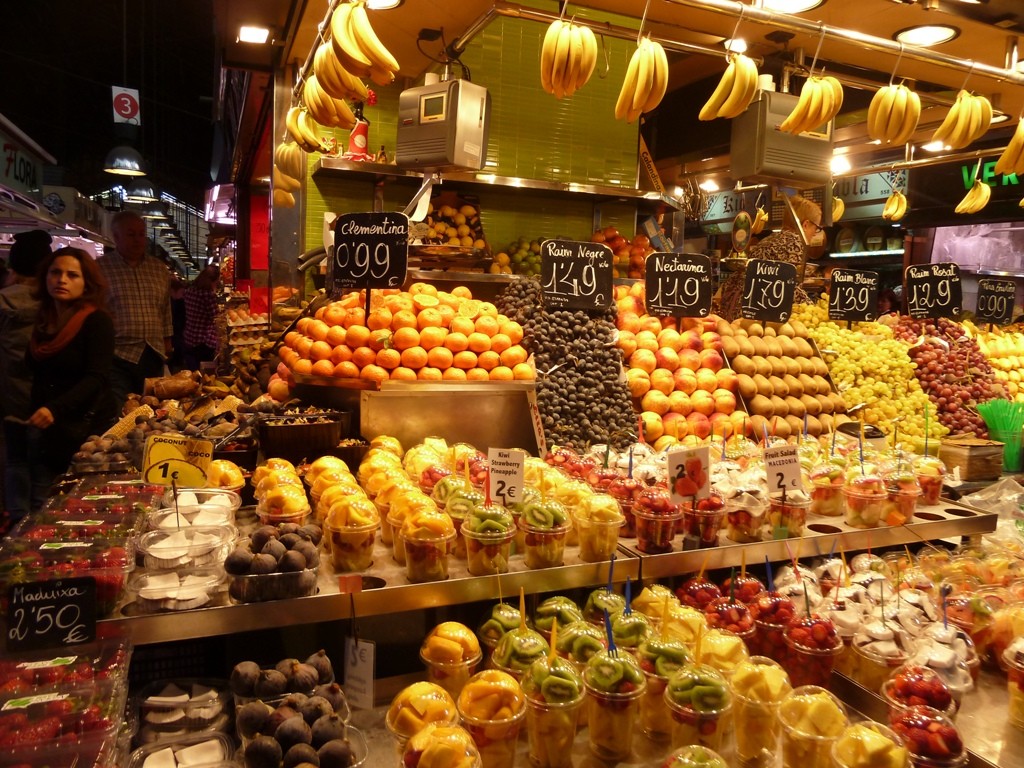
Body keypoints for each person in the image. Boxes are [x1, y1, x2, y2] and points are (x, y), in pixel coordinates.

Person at [26, 247, 118, 496]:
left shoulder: (97, 321)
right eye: (55, 272)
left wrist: (54, 408)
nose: (62, 279)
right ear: (45, 277)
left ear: (86, 283)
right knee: (42, 501)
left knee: (81, 500)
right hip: (47, 430)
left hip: (85, 428)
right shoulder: (44, 321)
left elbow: (97, 377)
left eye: (72, 275)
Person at [0, 230, 52, 524]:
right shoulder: (55, 304)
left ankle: (18, 522)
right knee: (44, 463)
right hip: (48, 398)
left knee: (16, 458)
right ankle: (43, 521)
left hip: (10, 396)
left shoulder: (4, 303)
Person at [99, 210, 173, 410]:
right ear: (116, 237)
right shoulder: (100, 268)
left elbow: (165, 309)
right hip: (117, 355)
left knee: (153, 410)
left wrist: (167, 343)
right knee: (120, 410)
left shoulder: (158, 269)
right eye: (131, 234)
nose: (138, 240)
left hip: (153, 353)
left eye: (141, 234)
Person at [717, 194, 824, 321]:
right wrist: (813, 310)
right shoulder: (795, 241)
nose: (815, 233)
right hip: (756, 314)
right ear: (806, 225)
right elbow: (789, 286)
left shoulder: (768, 239)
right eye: (816, 228)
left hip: (737, 310)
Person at [183, 265, 221, 370]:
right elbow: (215, 316)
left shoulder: (189, 291)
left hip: (190, 336)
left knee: (193, 372)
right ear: (213, 281)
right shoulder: (208, 294)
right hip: (204, 340)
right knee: (205, 373)